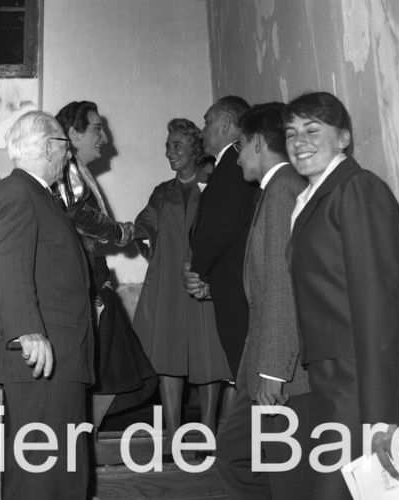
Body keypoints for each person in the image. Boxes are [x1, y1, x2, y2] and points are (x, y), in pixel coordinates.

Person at [284, 91, 399, 500]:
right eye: (290, 133)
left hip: (356, 386)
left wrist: (381, 418)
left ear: (343, 138)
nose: (299, 142)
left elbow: (380, 310)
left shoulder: (357, 189)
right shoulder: (312, 198)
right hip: (329, 382)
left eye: (312, 130)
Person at [0, 111, 94, 499]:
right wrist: (27, 330)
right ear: (47, 147)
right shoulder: (16, 192)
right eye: (64, 146)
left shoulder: (39, 195)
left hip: (58, 355)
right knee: (42, 477)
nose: (68, 154)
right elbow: (5, 266)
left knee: (61, 474)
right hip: (41, 356)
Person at [214, 102, 310, 500]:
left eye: (240, 146)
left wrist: (273, 368)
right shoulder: (277, 188)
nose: (237, 159)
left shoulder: (283, 188)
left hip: (278, 369)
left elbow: (281, 285)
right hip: (262, 363)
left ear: (256, 142)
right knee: (238, 456)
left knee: (277, 469)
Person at [55, 101, 157, 434]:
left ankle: (84, 438)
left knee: (114, 367)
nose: (105, 138)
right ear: (74, 134)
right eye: (97, 129)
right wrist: (119, 232)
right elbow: (76, 214)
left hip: (95, 280)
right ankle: (79, 440)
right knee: (105, 368)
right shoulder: (67, 168)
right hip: (85, 285)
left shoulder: (76, 169)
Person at [133, 118, 232, 453]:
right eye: (167, 146)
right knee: (168, 355)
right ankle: (172, 434)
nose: (170, 152)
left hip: (205, 282)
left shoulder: (214, 186)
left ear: (194, 149)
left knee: (209, 354)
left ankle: (208, 430)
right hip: (171, 287)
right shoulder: (163, 192)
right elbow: (146, 222)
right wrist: (140, 237)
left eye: (177, 145)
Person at [182, 96, 259, 415]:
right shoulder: (227, 164)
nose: (202, 130)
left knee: (248, 376)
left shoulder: (235, 164)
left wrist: (198, 271)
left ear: (226, 124)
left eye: (207, 121)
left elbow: (220, 225)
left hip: (237, 290)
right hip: (229, 284)